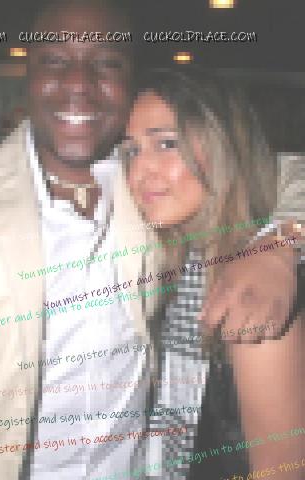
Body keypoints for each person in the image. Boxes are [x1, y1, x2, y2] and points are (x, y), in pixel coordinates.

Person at [0, 1, 302, 478]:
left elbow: (276, 169)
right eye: (55, 59)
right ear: (28, 72)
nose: (79, 82)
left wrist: (280, 244)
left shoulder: (153, 204)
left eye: (106, 62)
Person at [122, 69, 304, 479]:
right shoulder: (177, 257)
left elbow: (279, 469)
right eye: (132, 150)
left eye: (167, 144)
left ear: (224, 149)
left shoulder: (252, 284)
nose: (140, 171)